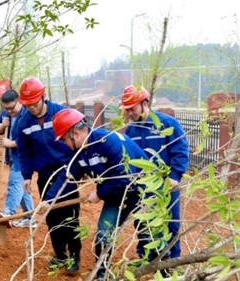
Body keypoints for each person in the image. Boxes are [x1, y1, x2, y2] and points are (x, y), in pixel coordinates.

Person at [51, 108, 165, 280]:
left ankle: (166, 271)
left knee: (149, 234)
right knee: (104, 235)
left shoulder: (109, 142)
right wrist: (49, 200)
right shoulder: (80, 151)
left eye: (65, 140)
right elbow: (68, 176)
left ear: (75, 133)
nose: (64, 144)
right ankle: (102, 275)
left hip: (142, 191)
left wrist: (99, 193)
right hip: (116, 196)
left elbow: (125, 178)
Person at [16, 77, 81, 275]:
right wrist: (27, 176)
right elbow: (24, 151)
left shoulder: (60, 114)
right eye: (27, 105)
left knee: (70, 217)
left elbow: (78, 139)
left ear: (43, 97)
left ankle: (74, 256)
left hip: (67, 173)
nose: (32, 108)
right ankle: (60, 254)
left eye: (35, 103)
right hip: (44, 175)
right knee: (52, 217)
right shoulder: (23, 122)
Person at [121, 85, 189, 259]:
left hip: (167, 185)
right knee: (143, 223)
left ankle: (172, 262)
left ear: (145, 103)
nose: (129, 113)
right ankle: (147, 259)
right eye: (127, 109)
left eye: (132, 108)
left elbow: (180, 151)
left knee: (170, 224)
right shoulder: (131, 130)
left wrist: (174, 177)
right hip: (143, 186)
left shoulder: (167, 123)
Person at [0, 89, 35, 228]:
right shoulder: (6, 113)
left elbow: (31, 139)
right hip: (12, 156)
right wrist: (2, 125)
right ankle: (29, 217)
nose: (9, 111)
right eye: (6, 108)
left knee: (14, 182)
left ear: (19, 101)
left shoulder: (28, 115)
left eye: (11, 108)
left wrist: (12, 143)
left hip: (24, 157)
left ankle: (8, 212)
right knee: (22, 187)